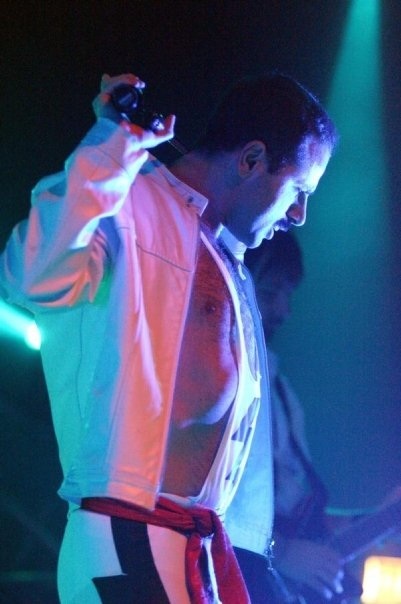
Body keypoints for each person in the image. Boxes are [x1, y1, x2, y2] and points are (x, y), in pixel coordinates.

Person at [0, 71, 337, 603]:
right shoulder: (128, 203)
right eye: (299, 191)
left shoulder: (229, 260)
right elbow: (31, 274)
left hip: (196, 547)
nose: (299, 215)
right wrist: (110, 146)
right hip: (126, 531)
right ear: (251, 160)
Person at [225, 232, 400, 604]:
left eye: (287, 295)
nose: (283, 311)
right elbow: (207, 500)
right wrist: (282, 552)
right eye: (269, 293)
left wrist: (382, 517)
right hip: (241, 578)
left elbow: (300, 512)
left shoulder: (281, 391)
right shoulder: (224, 377)